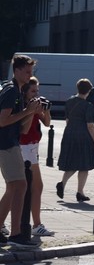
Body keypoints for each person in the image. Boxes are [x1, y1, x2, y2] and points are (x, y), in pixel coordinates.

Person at [0, 54, 43, 248]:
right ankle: (16, 234)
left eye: (31, 72)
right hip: (6, 145)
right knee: (20, 185)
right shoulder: (11, 91)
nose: (29, 75)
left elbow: (23, 128)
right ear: (16, 71)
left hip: (11, 143)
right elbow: (2, 121)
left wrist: (32, 111)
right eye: (26, 72)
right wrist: (27, 112)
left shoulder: (17, 91)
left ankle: (4, 228)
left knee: (14, 187)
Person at [56, 78, 94, 202]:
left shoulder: (69, 102)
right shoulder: (88, 106)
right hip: (83, 137)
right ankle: (80, 192)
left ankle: (62, 183)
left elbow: (67, 120)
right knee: (84, 165)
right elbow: (90, 125)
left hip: (69, 134)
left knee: (73, 162)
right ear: (89, 91)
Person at [20, 77, 54, 237]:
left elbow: (47, 123)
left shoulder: (33, 105)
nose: (36, 94)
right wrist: (31, 111)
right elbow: (24, 130)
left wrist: (45, 110)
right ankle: (36, 224)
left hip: (32, 147)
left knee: (28, 187)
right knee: (32, 187)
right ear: (25, 92)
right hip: (24, 147)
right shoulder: (23, 106)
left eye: (37, 91)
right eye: (33, 91)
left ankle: (32, 223)